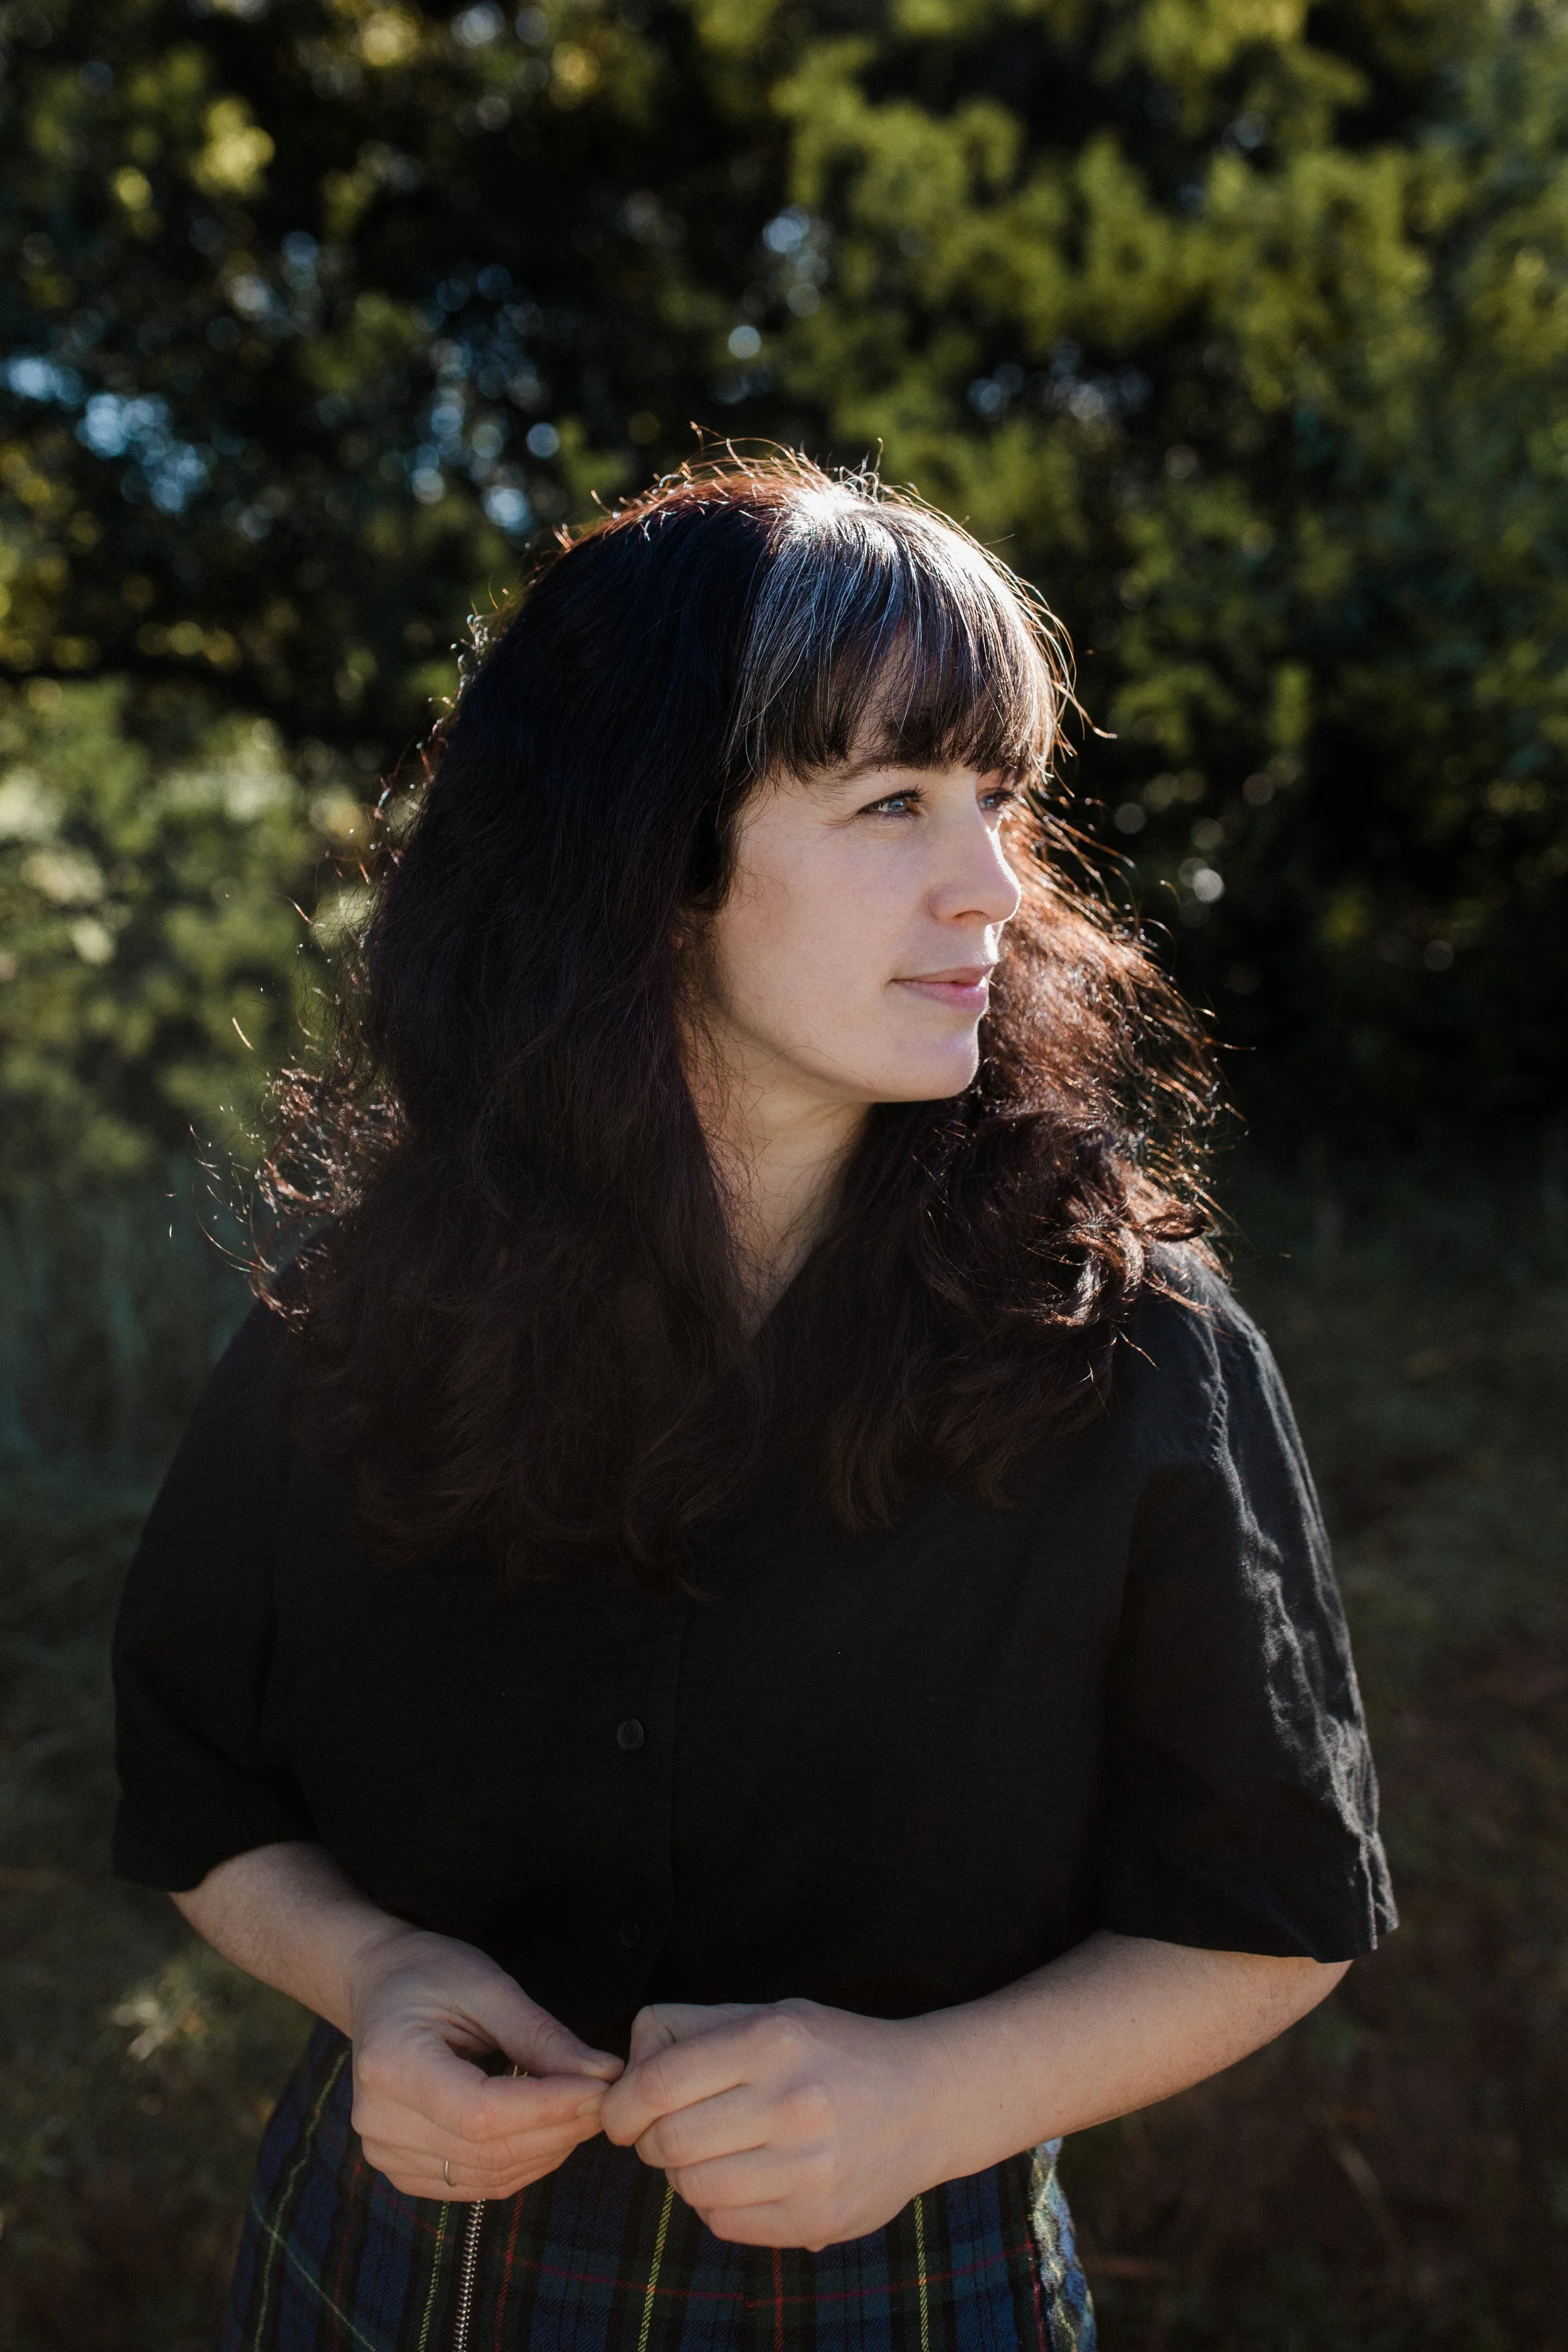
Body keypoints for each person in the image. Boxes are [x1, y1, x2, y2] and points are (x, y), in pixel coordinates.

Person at [112, 453, 1395, 2352]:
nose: (988, 886)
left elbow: (1275, 1902)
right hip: (387, 2278)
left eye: (998, 803)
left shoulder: (1132, 1346)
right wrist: (374, 1973)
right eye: (890, 802)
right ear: (639, 853)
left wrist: (931, 2100)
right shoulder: (353, 1311)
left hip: (901, 2293)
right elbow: (195, 1775)